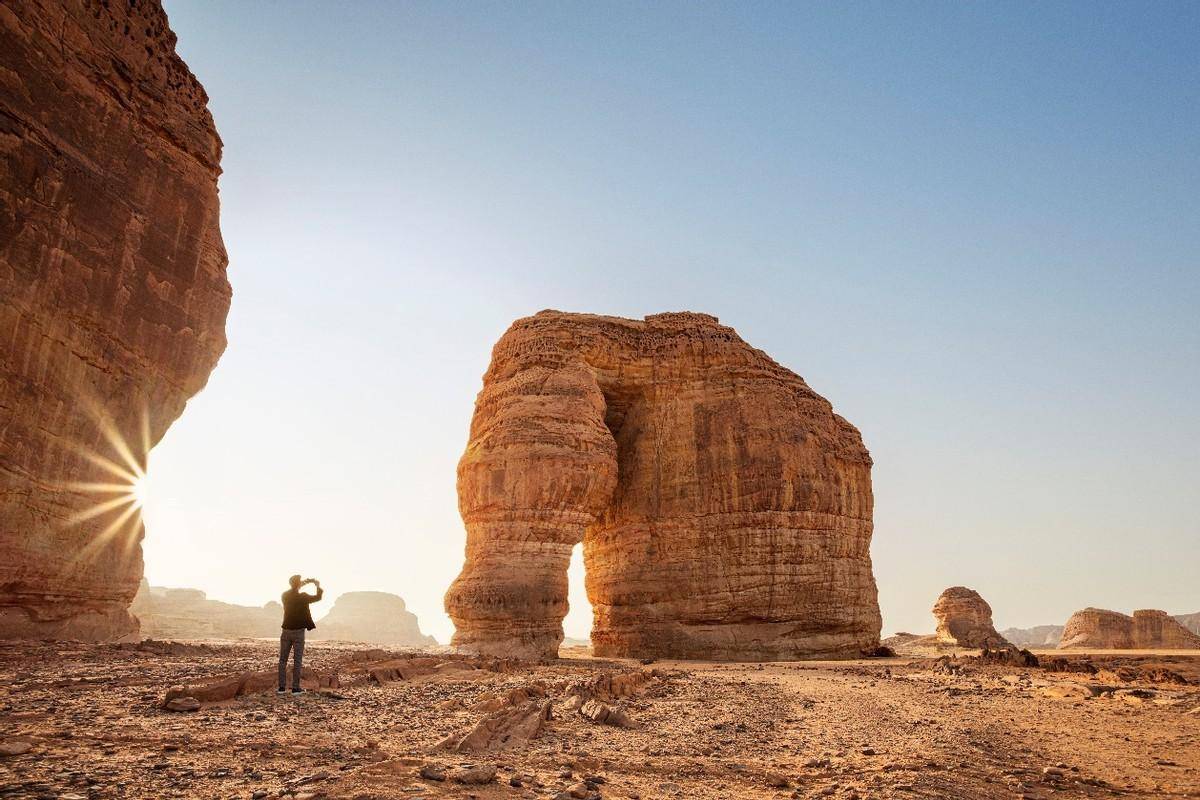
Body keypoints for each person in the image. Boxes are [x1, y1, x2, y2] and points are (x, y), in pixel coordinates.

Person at [278, 574, 323, 695]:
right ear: (298, 584)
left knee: (283, 660)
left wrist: (303, 583)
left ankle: (281, 688)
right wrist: (317, 586)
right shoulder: (303, 597)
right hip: (298, 632)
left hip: (286, 631)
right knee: (297, 660)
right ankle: (295, 688)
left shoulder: (285, 595)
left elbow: (294, 588)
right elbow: (318, 597)